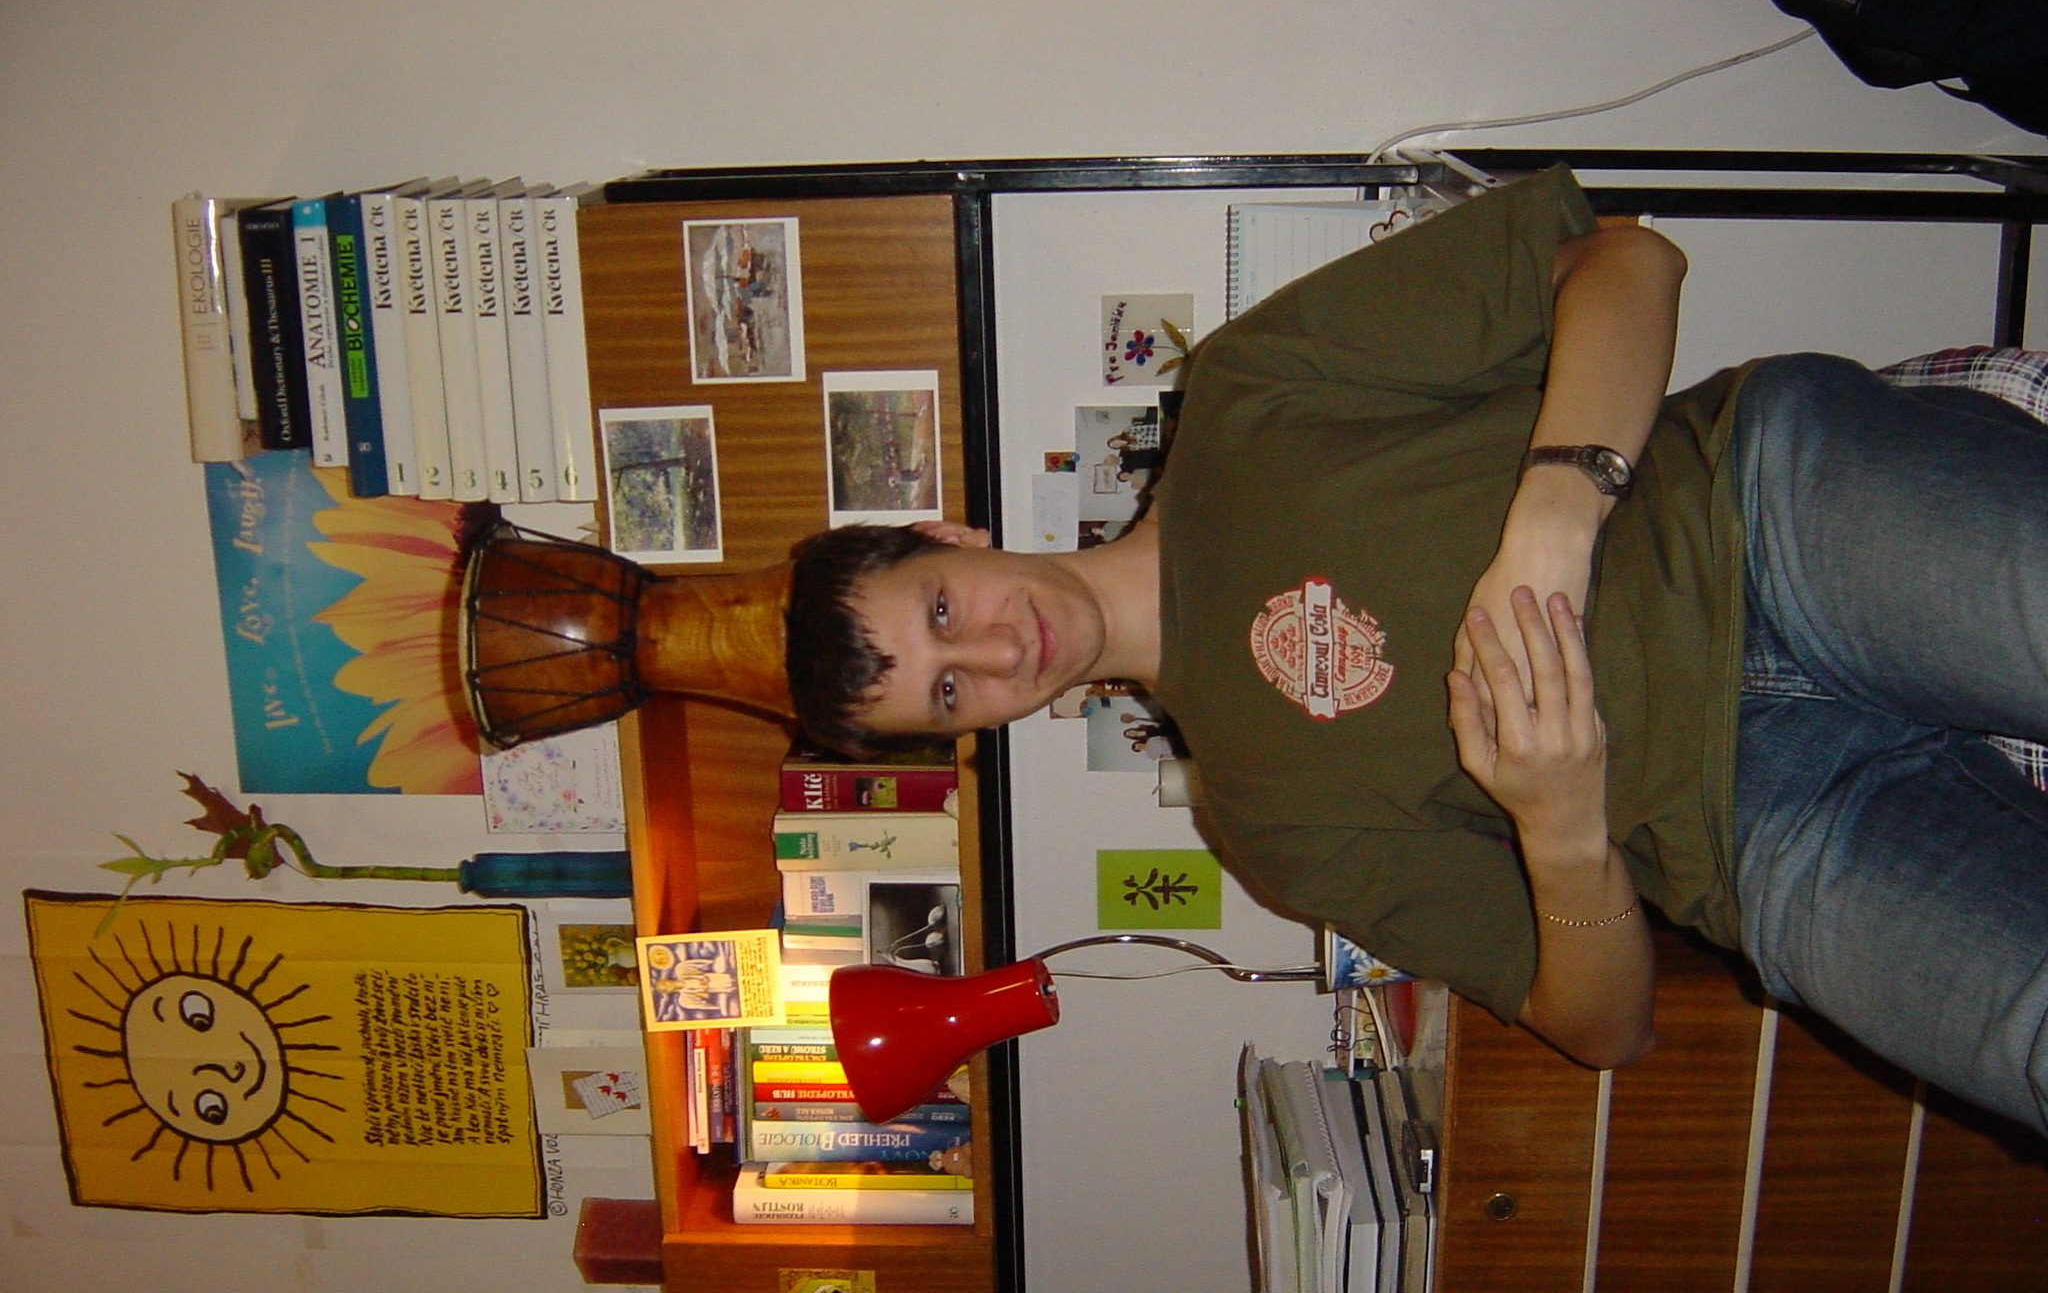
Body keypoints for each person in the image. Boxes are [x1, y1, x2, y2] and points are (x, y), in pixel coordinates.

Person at [783, 169, 2048, 1136]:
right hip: (1759, 831)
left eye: (941, 608)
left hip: (1759, 520)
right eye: (949, 691)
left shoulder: (1243, 394)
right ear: (974, 732)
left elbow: (1623, 259)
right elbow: (1600, 1028)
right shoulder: (1266, 830)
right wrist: (1562, 831)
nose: (996, 649)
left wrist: (1556, 512)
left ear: (951, 536)